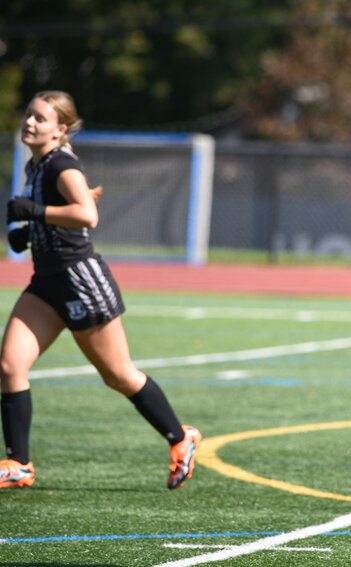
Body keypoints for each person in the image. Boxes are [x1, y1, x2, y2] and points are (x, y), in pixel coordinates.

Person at [1, 91, 201, 490]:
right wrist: (28, 233)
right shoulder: (36, 165)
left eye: (40, 118)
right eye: (28, 115)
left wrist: (37, 213)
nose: (29, 123)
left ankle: (181, 438)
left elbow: (87, 214)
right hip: (46, 284)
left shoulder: (60, 164)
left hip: (80, 283)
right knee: (9, 367)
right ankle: (19, 464)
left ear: (60, 130)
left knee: (119, 376)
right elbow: (54, 218)